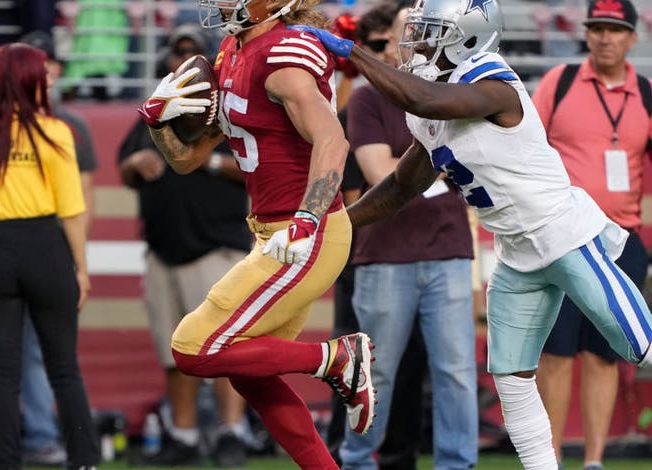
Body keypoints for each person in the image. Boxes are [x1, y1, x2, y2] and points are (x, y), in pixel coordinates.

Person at [295, 0, 652, 466]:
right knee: (511, 378)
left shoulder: (492, 81)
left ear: (467, 39)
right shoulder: (430, 100)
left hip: (562, 237)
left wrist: (349, 53)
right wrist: (334, 223)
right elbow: (400, 187)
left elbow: (425, 98)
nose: (417, 44)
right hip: (516, 251)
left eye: (431, 34)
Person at [136, 0, 375, 467]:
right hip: (272, 234)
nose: (222, 2)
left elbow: (333, 139)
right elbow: (187, 161)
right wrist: (158, 123)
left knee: (194, 347)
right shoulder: (230, 51)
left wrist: (306, 218)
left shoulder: (284, 53)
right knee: (247, 368)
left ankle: (336, 359)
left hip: (309, 230)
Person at [530, 1, 652, 468]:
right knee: (556, 356)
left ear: (632, 37)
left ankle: (594, 460)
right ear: (586, 33)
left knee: (604, 357)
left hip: (622, 239)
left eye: (614, 30)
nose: (604, 38)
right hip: (561, 238)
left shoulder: (648, 92)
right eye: (596, 28)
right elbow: (528, 151)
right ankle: (551, 459)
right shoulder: (557, 83)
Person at [0, 43, 100, 470]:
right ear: (30, 80)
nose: (49, 79)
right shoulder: (55, 132)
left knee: (2, 373)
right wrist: (81, 270)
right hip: (46, 248)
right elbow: (72, 213)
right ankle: (84, 462)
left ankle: (4, 464)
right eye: (42, 73)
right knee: (64, 368)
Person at [338, 4, 479, 470]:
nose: (422, 39)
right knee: (373, 374)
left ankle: (457, 465)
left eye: (430, 31)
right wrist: (445, 171)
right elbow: (382, 176)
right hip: (385, 257)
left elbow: (474, 172)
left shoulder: (458, 92)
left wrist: (421, 174)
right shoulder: (366, 98)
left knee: (457, 374)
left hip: (450, 253)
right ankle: (356, 461)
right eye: (413, 31)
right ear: (397, 41)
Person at [119, 28, 252, 467]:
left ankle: (233, 432)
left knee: (223, 347)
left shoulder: (225, 110)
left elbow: (255, 165)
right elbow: (125, 166)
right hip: (163, 249)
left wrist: (206, 162)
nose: (183, 60)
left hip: (215, 246)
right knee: (175, 353)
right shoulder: (155, 112)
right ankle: (184, 433)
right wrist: (135, 163)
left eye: (191, 53)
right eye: (177, 54)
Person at [325, 7, 430, 468]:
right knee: (358, 364)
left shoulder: (420, 101)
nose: (393, 51)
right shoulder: (356, 105)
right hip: (362, 253)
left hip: (418, 247)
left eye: (395, 41)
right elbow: (356, 187)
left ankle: (398, 453)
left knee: (410, 365)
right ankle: (347, 453)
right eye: (379, 45)